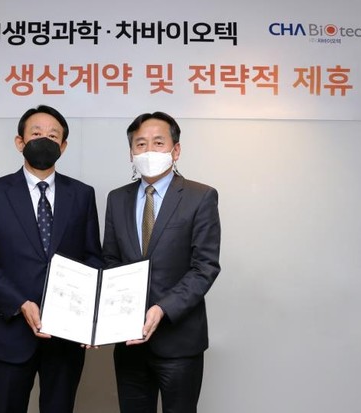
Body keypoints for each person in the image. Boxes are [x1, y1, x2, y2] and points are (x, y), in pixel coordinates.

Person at [0, 105, 102, 413]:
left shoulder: (82, 194)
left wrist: (89, 316)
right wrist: (20, 303)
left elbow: (93, 256)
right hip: (9, 331)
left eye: (53, 136)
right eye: (36, 133)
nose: (44, 140)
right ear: (20, 142)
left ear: (63, 146)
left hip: (66, 335)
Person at [102, 111, 221, 413]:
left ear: (175, 150)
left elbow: (204, 266)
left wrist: (162, 308)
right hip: (128, 342)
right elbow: (110, 260)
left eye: (158, 142)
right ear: (131, 152)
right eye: (141, 144)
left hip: (179, 341)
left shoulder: (200, 197)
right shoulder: (117, 199)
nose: (149, 150)